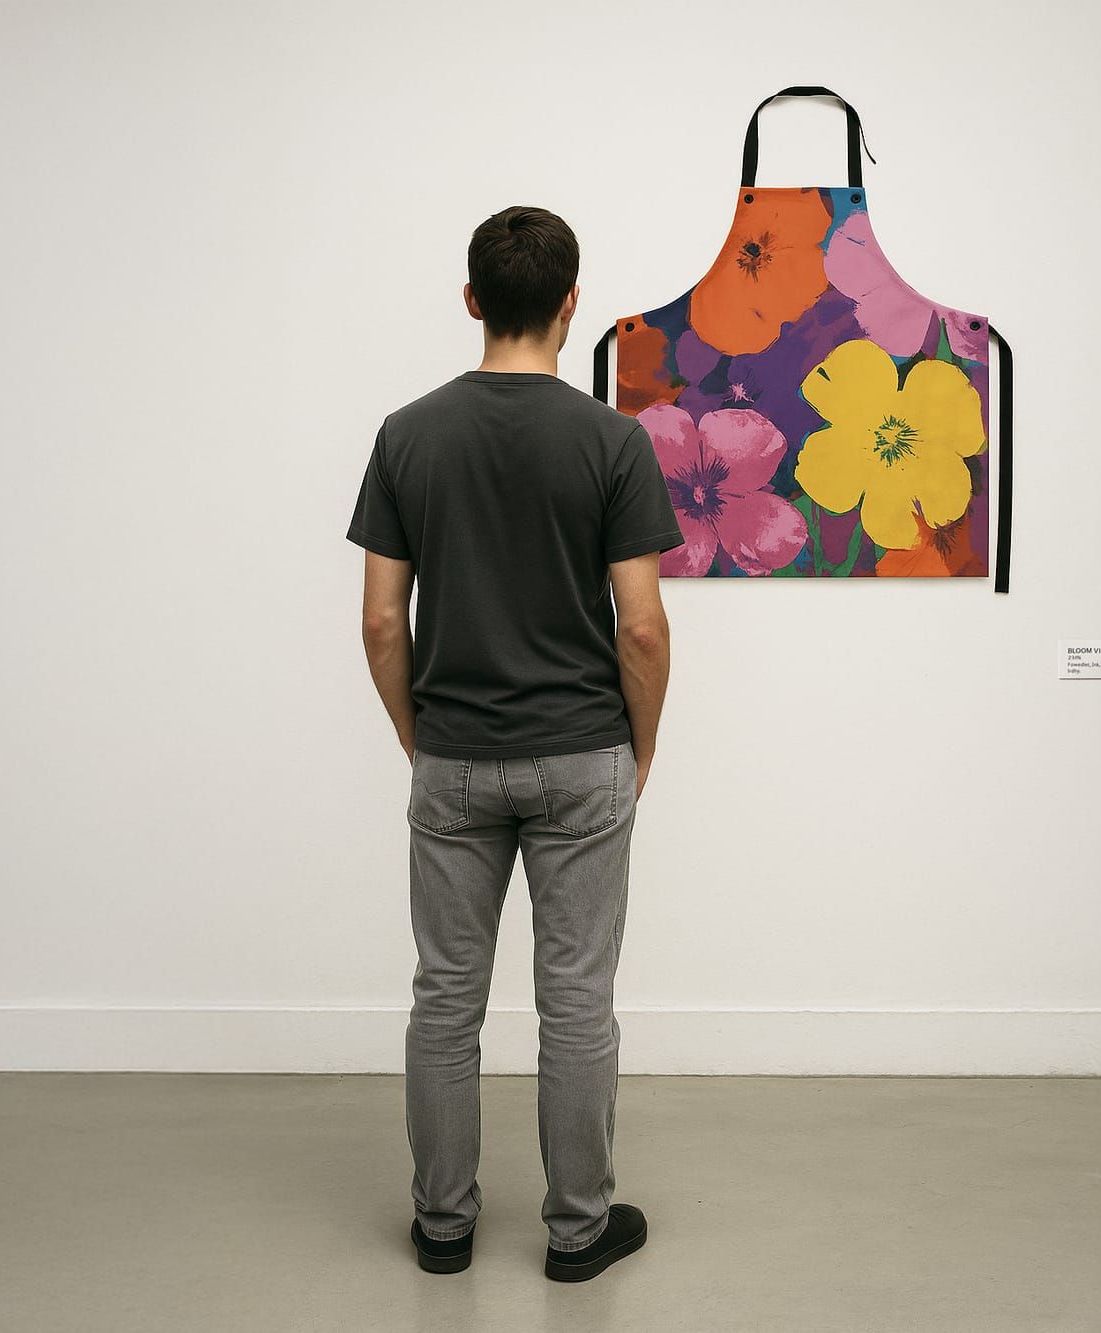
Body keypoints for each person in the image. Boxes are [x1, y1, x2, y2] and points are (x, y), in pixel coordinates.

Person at [344, 205, 684, 1282]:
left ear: (471, 300)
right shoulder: (611, 440)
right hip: (583, 753)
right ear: (571, 302)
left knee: (444, 997)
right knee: (576, 1000)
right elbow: (640, 624)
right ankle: (576, 1231)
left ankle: (442, 1226)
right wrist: (641, 748)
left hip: (453, 754)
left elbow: (376, 620)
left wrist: (418, 736)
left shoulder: (408, 434)